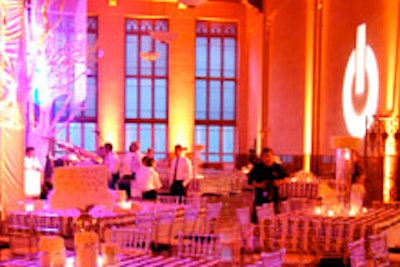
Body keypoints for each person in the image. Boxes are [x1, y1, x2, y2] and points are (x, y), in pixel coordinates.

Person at [247, 147, 287, 221]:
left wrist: (278, 182)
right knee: (258, 218)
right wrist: (259, 185)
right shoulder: (257, 168)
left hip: (274, 196)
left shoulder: (278, 167)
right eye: (264, 156)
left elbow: (286, 178)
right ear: (261, 157)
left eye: (268, 156)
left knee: (275, 217)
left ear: (272, 156)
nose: (267, 158)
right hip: (260, 196)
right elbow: (250, 181)